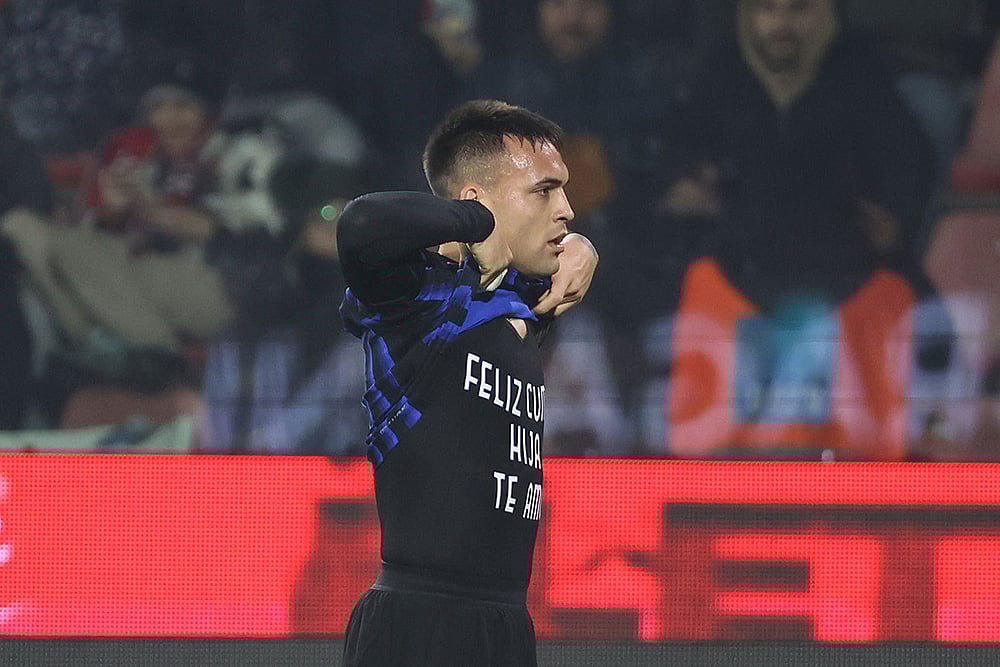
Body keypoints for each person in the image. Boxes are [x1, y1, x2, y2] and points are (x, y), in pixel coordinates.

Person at [337, 99, 597, 666]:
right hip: (419, 626)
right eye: (544, 191)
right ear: (475, 203)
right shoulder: (413, 300)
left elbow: (564, 257)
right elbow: (361, 224)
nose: (568, 210)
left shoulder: (518, 304)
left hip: (505, 626)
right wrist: (476, 225)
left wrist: (585, 249)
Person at [658, 0, 941, 459]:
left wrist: (896, 216)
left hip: (845, 256)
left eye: (798, 11)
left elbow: (908, 161)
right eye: (768, 11)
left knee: (894, 296)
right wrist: (686, 183)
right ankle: (704, 478)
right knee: (697, 284)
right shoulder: (721, 76)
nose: (782, 25)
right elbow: (677, 154)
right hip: (741, 258)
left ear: (827, 15)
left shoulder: (860, 74)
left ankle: (875, 480)